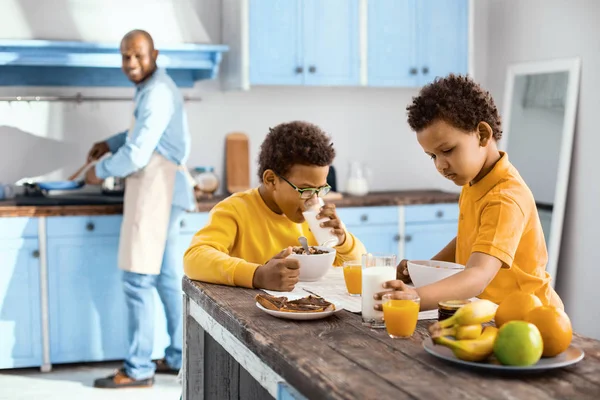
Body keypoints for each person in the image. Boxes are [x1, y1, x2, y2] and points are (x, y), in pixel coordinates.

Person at [376, 74, 564, 311]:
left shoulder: (504, 198)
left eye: (448, 150)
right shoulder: (475, 182)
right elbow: (471, 240)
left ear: (482, 135)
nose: (440, 165)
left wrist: (416, 296)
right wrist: (422, 270)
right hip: (489, 312)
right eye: (433, 156)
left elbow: (478, 274)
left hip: (530, 318)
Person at [84, 29, 196, 388]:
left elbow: (137, 153)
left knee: (137, 280)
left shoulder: (157, 92)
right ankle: (180, 356)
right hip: (166, 191)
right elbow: (142, 135)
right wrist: (111, 141)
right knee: (164, 279)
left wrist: (97, 172)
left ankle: (137, 370)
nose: (131, 63)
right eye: (125, 56)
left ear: (155, 54)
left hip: (157, 191)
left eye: (138, 55)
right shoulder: (153, 88)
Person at [184, 121, 367, 290]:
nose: (314, 199)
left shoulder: (317, 221)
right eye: (305, 190)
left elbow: (362, 266)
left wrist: (343, 240)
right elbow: (195, 258)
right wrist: (257, 275)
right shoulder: (235, 210)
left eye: (320, 189)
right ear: (271, 180)